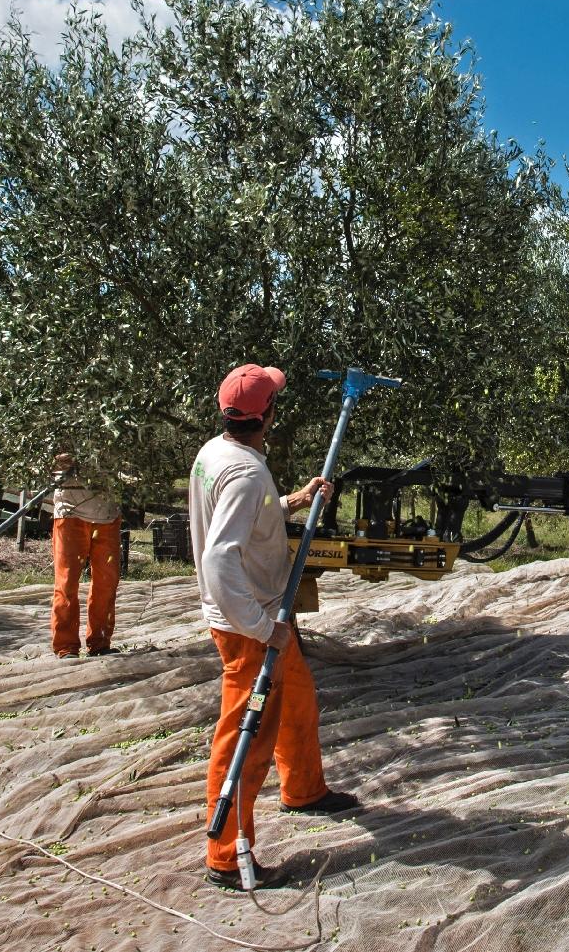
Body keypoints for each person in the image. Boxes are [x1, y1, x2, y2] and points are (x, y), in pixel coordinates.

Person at [190, 363, 359, 891]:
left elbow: (248, 515)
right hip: (248, 624)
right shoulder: (244, 472)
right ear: (268, 415)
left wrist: (294, 501)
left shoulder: (215, 454)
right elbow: (219, 559)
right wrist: (264, 630)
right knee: (247, 734)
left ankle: (304, 790)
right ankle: (225, 856)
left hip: (262, 614)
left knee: (298, 700)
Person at [48, 453, 123, 659]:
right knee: (67, 581)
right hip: (70, 512)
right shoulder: (60, 436)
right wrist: (65, 459)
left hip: (107, 513)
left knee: (106, 583)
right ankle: (66, 646)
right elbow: (45, 462)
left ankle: (100, 643)